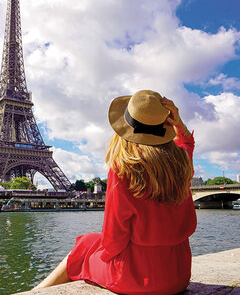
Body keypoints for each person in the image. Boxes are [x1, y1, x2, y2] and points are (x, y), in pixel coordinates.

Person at [33, 90, 197, 294]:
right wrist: (179, 124)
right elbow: (186, 144)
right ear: (166, 125)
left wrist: (98, 256)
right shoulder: (181, 163)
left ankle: (37, 291)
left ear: (126, 128)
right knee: (89, 242)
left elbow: (114, 239)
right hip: (178, 274)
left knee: (84, 246)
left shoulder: (124, 169)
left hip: (135, 278)